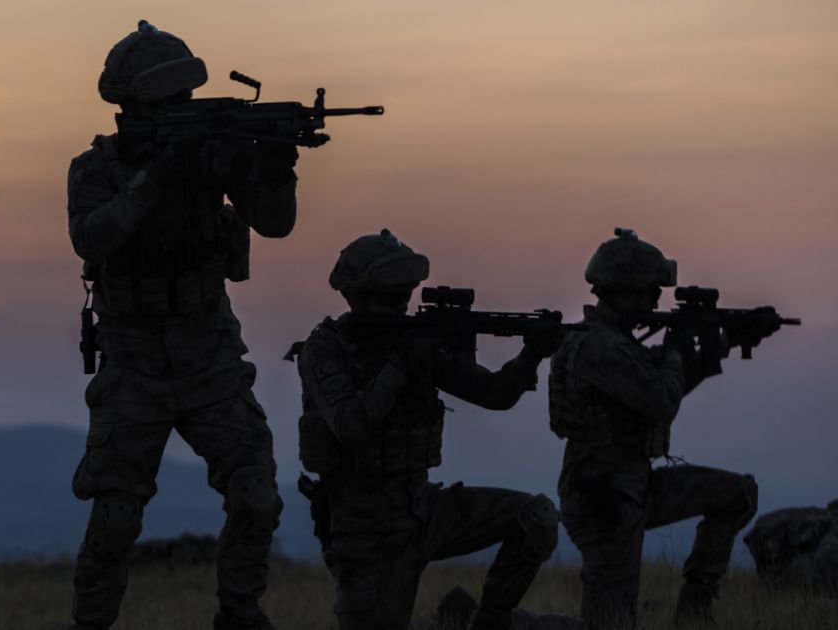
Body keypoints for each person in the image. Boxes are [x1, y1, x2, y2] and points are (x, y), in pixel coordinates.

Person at [65, 20, 298, 630]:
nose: (181, 108)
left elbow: (275, 224)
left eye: (185, 98)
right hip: (133, 366)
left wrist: (274, 169)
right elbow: (91, 236)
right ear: (130, 105)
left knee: (256, 494)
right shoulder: (96, 168)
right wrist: (159, 176)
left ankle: (240, 612)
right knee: (115, 515)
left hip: (209, 359)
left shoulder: (208, 156)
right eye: (166, 101)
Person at [293, 229, 562, 630]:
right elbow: (349, 425)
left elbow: (495, 395)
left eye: (405, 297)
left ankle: (490, 623)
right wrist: (403, 364)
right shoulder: (325, 349)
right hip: (363, 533)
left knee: (536, 517)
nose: (401, 307)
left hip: (422, 512)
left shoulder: (414, 342)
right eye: (390, 299)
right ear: (355, 297)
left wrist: (532, 354)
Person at [549, 229, 758, 629]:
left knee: (736, 494)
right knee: (611, 623)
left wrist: (723, 343)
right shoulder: (597, 346)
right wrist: (677, 347)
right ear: (626, 292)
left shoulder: (618, 342)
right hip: (602, 498)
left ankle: (695, 612)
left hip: (634, 486)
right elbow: (661, 401)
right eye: (650, 293)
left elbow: (660, 390)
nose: (656, 303)